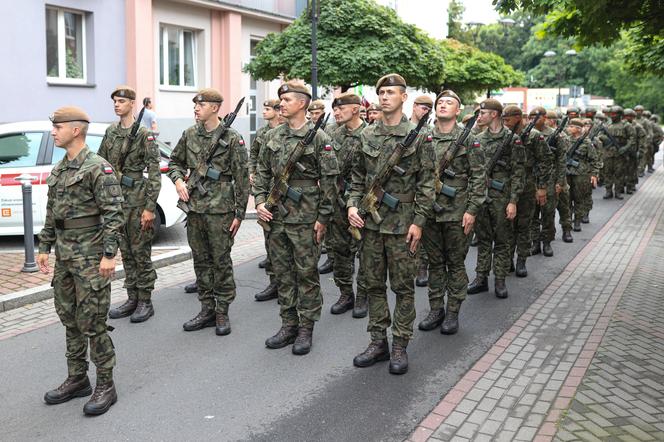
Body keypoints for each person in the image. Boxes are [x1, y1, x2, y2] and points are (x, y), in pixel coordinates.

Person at [38, 106, 124, 415]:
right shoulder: (61, 169)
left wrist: (109, 255)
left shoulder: (98, 168)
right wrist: (44, 245)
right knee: (69, 318)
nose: (53, 132)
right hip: (65, 257)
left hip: (91, 258)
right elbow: (53, 213)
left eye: (57, 127)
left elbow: (115, 214)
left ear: (75, 130)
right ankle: (77, 379)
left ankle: (106, 384)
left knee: (93, 322)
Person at [348, 74, 435, 374]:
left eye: (390, 92)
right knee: (373, 284)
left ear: (403, 98)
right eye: (381, 92)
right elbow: (356, 178)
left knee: (402, 287)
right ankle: (378, 341)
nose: (384, 97)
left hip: (402, 224)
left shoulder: (419, 136)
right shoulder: (366, 135)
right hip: (371, 225)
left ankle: (400, 344)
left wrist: (419, 222)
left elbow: (427, 183)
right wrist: (350, 206)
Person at [254, 80, 339, 355]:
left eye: (287, 99)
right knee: (283, 272)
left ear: (302, 103)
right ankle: (288, 323)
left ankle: (306, 327)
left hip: (305, 216)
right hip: (276, 216)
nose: (282, 104)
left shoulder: (319, 139)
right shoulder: (273, 136)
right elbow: (263, 173)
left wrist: (323, 218)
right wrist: (258, 202)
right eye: (281, 100)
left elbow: (329, 183)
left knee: (306, 273)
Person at [168, 88, 249, 336]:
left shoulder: (233, 138)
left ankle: (222, 310)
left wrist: (239, 214)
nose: (195, 109)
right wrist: (179, 181)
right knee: (201, 261)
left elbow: (242, 178)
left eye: (200, 105)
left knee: (221, 262)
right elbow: (174, 162)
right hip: (195, 209)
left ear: (215, 108)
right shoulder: (190, 134)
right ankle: (206, 309)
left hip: (221, 211)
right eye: (195, 105)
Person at [418, 90, 485, 335]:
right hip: (429, 211)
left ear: (458, 111)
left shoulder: (469, 138)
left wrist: (472, 209)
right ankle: (436, 309)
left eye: (449, 103)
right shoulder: (424, 137)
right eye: (440, 102)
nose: (443, 105)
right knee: (435, 263)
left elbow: (479, 176)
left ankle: (453, 311)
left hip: (458, 211)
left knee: (455, 263)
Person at [97, 86, 161, 323]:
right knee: (125, 252)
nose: (116, 104)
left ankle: (145, 300)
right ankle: (132, 297)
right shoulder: (111, 132)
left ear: (132, 104)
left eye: (121, 101)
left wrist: (149, 207)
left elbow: (154, 172)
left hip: (137, 199)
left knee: (140, 252)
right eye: (114, 101)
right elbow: (101, 163)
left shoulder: (145, 135)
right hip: (116, 200)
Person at [468, 99, 525, 299]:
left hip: (502, 196)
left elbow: (519, 172)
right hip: (481, 195)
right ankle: (481, 278)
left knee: (502, 239)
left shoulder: (512, 139)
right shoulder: (478, 138)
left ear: (494, 115)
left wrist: (513, 201)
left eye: (483, 113)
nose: (479, 116)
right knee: (483, 238)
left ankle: (499, 279)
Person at [326, 92, 367, 317]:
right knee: (339, 250)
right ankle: (345, 293)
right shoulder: (330, 133)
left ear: (355, 109)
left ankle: (363, 295)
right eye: (335, 109)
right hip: (336, 202)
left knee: (365, 252)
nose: (336, 112)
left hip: (362, 202)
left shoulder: (370, 134)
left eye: (341, 108)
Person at [501, 106, 552, 278]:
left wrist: (542, 187)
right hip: (506, 185)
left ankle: (522, 259)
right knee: (506, 225)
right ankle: (508, 259)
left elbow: (545, 161)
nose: (505, 123)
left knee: (524, 225)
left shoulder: (535, 136)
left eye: (507, 120)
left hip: (527, 184)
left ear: (517, 118)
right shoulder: (503, 135)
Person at [252, 98, 283, 302]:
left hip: (289, 194)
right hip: (269, 191)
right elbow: (255, 156)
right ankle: (274, 282)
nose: (263, 111)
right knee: (270, 237)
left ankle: (287, 285)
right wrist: (252, 173)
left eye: (267, 108)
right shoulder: (264, 133)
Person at [531, 108, 569, 256]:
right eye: (531, 116)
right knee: (533, 214)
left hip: (551, 179)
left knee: (548, 213)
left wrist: (560, 182)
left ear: (545, 118)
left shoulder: (555, 135)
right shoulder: (527, 134)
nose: (533, 119)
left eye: (537, 116)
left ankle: (546, 242)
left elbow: (561, 160)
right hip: (532, 179)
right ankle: (535, 242)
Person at [566, 118, 601, 232]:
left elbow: (594, 160)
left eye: (571, 127)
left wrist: (594, 174)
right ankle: (568, 221)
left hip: (581, 174)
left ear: (578, 129)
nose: (569, 128)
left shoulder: (586, 142)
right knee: (567, 199)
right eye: (569, 126)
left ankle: (577, 221)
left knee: (578, 198)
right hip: (567, 173)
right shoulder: (565, 140)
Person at [602, 106, 635, 200]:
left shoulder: (626, 125)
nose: (612, 116)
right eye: (611, 114)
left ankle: (617, 192)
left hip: (620, 153)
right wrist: (604, 138)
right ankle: (608, 191)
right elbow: (600, 135)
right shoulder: (607, 124)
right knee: (607, 172)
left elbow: (632, 139)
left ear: (620, 115)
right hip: (608, 152)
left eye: (614, 114)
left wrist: (625, 148)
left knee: (619, 173)